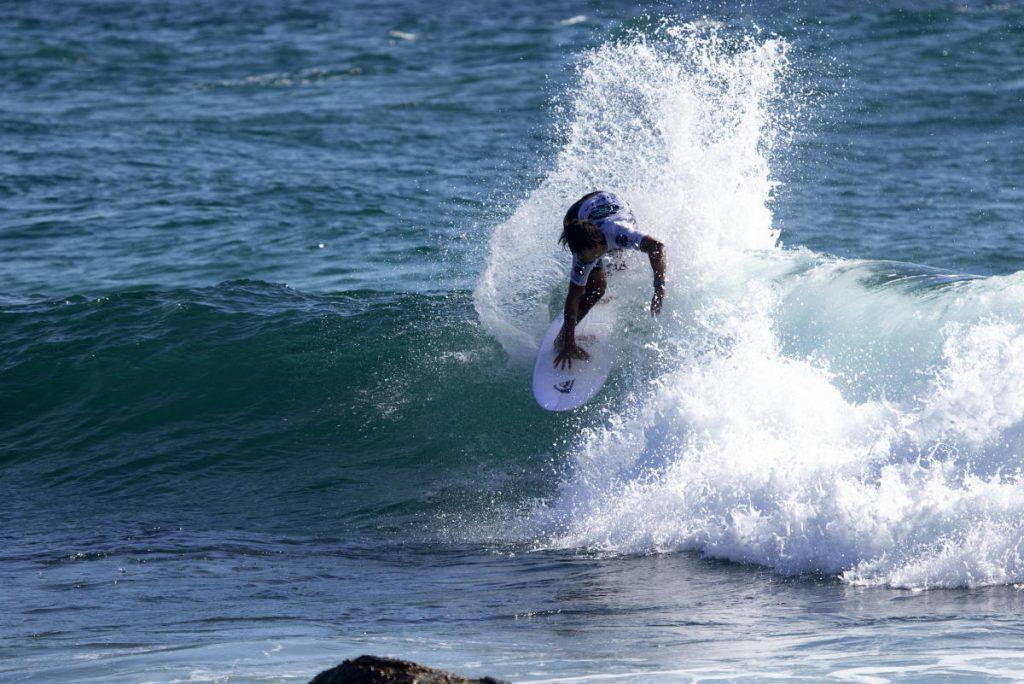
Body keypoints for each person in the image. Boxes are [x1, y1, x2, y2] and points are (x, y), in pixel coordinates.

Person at [554, 190, 667, 370]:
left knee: (618, 263)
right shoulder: (582, 255)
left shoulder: (622, 233)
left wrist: (659, 287)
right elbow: (572, 298)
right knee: (596, 289)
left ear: (596, 246)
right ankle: (561, 339)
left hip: (612, 206)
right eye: (580, 257)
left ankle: (606, 270)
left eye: (585, 257)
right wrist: (569, 341)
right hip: (576, 215)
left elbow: (657, 247)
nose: (582, 261)